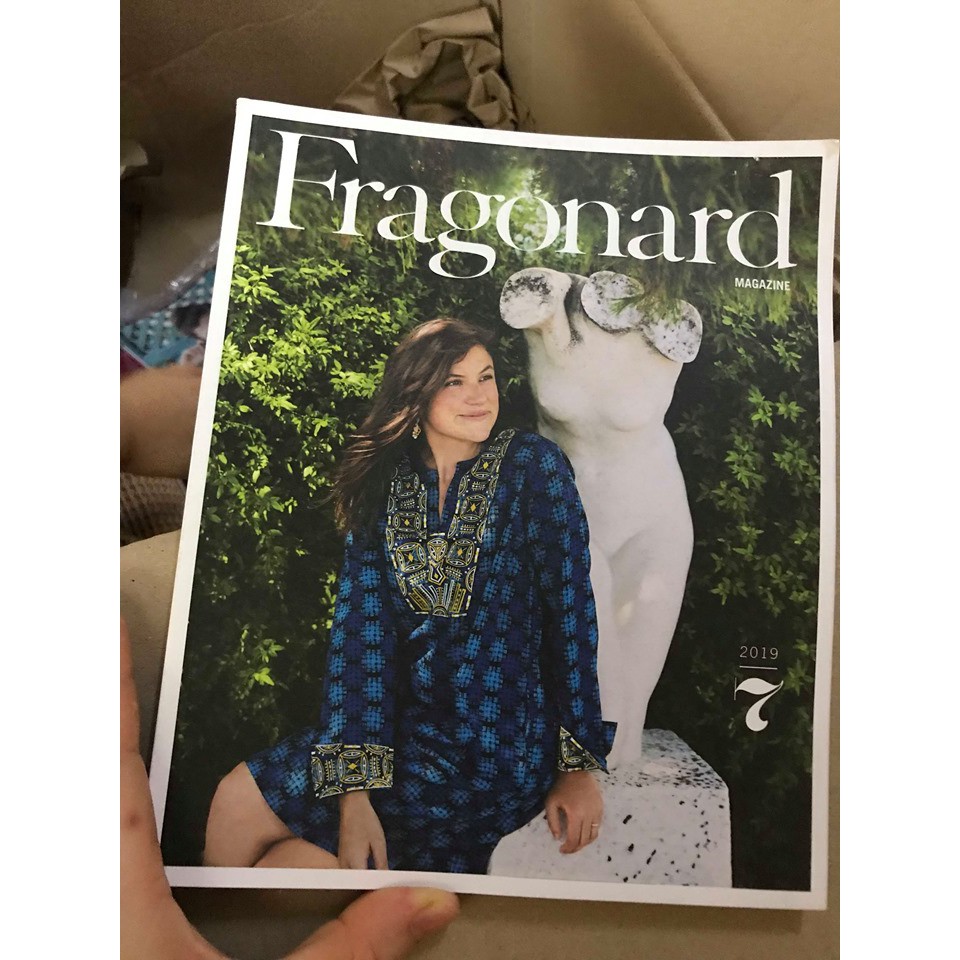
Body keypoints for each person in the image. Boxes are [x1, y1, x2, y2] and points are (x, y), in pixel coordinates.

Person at [204, 318, 615, 874]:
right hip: (401, 733)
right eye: (454, 382)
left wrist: (577, 765)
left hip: (498, 747)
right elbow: (360, 642)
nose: (479, 396)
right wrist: (354, 796)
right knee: (269, 840)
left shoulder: (532, 467)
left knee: (252, 820)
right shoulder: (385, 485)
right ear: (416, 394)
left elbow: (572, 614)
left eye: (486, 377)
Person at [120, 365, 460, 958]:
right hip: (383, 722)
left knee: (283, 859)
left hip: (452, 736)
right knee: (245, 818)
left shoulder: (510, 492)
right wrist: (355, 793)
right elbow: (362, 649)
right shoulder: (388, 505)